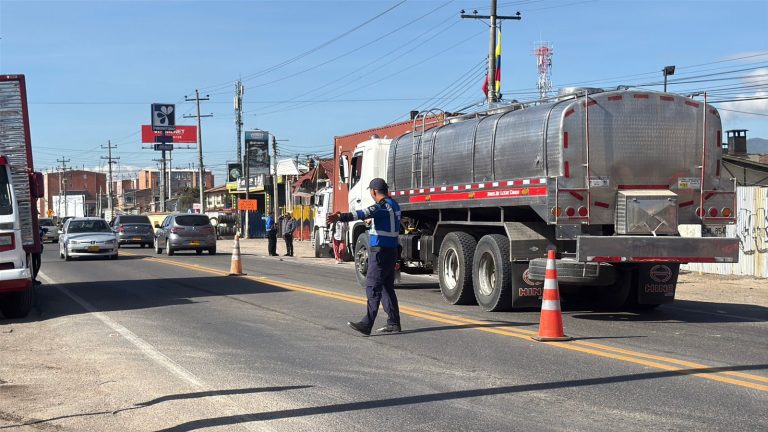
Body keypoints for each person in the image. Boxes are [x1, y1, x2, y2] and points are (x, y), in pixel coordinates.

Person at [327, 178, 401, 335]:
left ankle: (367, 323)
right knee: (387, 288)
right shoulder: (394, 205)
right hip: (391, 251)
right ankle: (393, 322)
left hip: (379, 253)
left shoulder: (380, 206)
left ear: (374, 191)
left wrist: (339, 217)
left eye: (370, 191)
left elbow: (361, 213)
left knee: (372, 286)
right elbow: (382, 221)